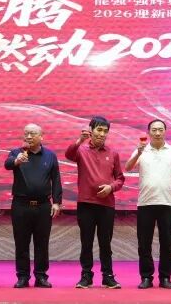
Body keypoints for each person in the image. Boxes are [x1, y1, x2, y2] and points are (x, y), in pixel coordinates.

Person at [125, 119, 171, 290]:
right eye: (154, 130)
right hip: (145, 204)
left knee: (167, 243)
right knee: (144, 244)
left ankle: (165, 277)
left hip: (167, 204)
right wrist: (138, 153)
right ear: (149, 132)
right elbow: (128, 167)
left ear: (165, 131)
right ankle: (146, 277)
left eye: (160, 130)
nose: (157, 133)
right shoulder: (141, 150)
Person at [66, 115, 125, 289]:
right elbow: (69, 154)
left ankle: (108, 276)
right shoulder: (81, 150)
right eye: (99, 130)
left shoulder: (113, 153)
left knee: (105, 243)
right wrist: (79, 140)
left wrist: (111, 187)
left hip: (107, 205)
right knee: (86, 242)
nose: (102, 134)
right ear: (91, 131)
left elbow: (120, 179)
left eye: (105, 131)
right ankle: (86, 276)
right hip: (86, 204)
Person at [6, 123, 62, 288]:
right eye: (26, 134)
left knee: (42, 243)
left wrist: (57, 202)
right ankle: (23, 276)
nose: (28, 137)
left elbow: (56, 180)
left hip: (43, 206)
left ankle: (41, 276)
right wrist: (16, 161)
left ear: (41, 136)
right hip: (21, 205)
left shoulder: (50, 155)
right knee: (21, 242)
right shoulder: (17, 152)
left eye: (32, 134)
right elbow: (7, 164)